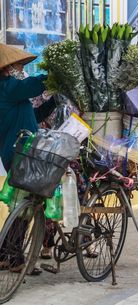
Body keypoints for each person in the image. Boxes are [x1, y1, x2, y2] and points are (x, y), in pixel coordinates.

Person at [0, 43, 58, 274]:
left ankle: (5, 255)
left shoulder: (11, 93)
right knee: (23, 207)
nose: (18, 69)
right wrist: (55, 74)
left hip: (20, 152)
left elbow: (33, 115)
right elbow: (34, 84)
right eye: (15, 65)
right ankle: (14, 259)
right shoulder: (7, 87)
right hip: (19, 153)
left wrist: (54, 101)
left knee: (21, 204)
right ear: (6, 68)